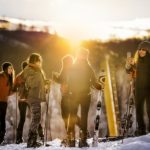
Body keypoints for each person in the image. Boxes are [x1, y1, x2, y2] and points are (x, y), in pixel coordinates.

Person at [68, 48, 101, 147]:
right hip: (82, 95)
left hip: (76, 95)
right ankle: (80, 141)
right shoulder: (87, 67)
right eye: (83, 55)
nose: (84, 56)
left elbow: (68, 80)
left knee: (75, 117)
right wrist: (99, 86)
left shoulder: (74, 66)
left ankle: (73, 140)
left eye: (85, 55)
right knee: (80, 117)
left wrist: (98, 85)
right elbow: (94, 81)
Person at [13, 61, 44, 144]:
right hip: (30, 99)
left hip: (22, 100)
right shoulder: (31, 76)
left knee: (23, 119)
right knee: (35, 117)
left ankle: (18, 139)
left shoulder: (18, 76)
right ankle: (41, 136)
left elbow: (13, 87)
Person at [53, 55, 81, 143]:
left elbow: (63, 80)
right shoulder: (73, 70)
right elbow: (62, 80)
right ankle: (72, 134)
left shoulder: (68, 70)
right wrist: (57, 78)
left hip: (68, 96)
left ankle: (71, 136)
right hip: (72, 96)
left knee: (67, 116)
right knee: (71, 116)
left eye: (64, 62)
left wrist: (56, 77)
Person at [125, 41, 150, 135]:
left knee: (149, 109)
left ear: (148, 50)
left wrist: (133, 65)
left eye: (143, 49)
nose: (141, 51)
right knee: (139, 109)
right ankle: (141, 129)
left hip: (149, 88)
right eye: (140, 49)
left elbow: (143, 70)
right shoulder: (136, 61)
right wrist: (129, 65)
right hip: (138, 88)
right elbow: (128, 71)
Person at [22, 53, 47, 147]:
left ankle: (32, 140)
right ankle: (31, 141)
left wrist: (45, 83)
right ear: (35, 61)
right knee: (36, 118)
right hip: (33, 97)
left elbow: (38, 82)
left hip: (36, 96)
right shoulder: (30, 70)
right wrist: (40, 77)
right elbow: (31, 83)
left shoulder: (35, 70)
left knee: (36, 118)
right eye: (38, 60)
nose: (40, 62)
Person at [0, 62, 14, 144]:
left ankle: (1, 137)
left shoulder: (9, 78)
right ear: (5, 69)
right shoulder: (1, 77)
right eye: (9, 68)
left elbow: (8, 92)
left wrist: (14, 91)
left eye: (11, 68)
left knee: (2, 119)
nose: (11, 70)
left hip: (4, 102)